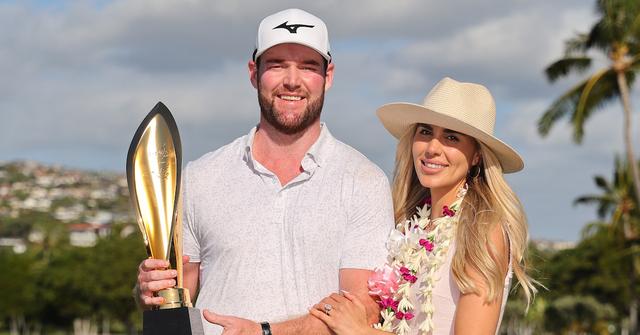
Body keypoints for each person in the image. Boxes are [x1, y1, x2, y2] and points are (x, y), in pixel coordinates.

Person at [134, 8, 394, 335]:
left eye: (307, 66)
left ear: (328, 75)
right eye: (277, 65)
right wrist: (149, 291)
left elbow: (362, 309)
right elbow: (176, 294)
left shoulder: (363, 180)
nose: (292, 80)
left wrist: (265, 331)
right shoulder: (201, 176)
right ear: (254, 73)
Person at [310, 77, 537, 334]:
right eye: (426, 132)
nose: (432, 148)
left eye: (452, 138)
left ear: (476, 156)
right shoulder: (407, 226)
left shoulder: (482, 230)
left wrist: (359, 331)